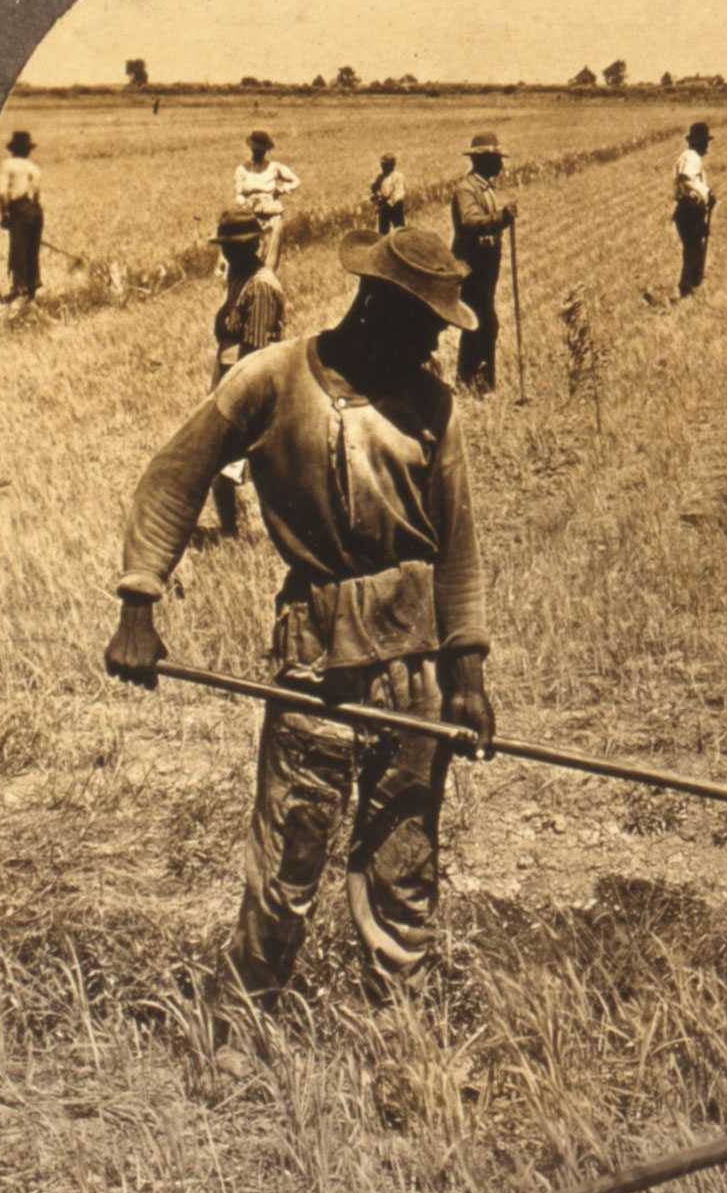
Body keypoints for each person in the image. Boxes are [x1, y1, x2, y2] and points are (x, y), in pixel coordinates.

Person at [104, 227, 494, 1076]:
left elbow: (456, 543)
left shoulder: (431, 406)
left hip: (413, 663)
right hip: (313, 656)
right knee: (287, 859)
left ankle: (402, 1047)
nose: (436, 342)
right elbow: (175, 475)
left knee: (402, 860)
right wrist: (140, 598)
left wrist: (467, 673)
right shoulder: (272, 378)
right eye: (425, 323)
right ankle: (234, 1043)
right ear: (374, 306)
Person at [205, 208, 287, 537]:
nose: (226, 253)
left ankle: (247, 533)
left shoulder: (261, 287)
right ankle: (234, 532)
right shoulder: (238, 278)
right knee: (221, 464)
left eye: (233, 246)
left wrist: (239, 401)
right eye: (224, 246)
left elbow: (257, 356)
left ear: (251, 247)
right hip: (228, 379)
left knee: (233, 465)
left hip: (247, 385)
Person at [450, 131, 517, 394]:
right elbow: (469, 222)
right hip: (471, 266)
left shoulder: (485, 188)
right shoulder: (466, 189)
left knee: (482, 322)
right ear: (483, 160)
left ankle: (476, 381)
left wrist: (502, 218)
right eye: (496, 159)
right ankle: (475, 382)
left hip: (486, 265)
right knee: (482, 322)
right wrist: (500, 218)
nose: (501, 164)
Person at [233, 129, 300, 271]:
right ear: (251, 149)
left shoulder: (274, 167)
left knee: (271, 256)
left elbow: (296, 181)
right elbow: (239, 193)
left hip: (273, 215)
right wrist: (242, 202)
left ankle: (267, 284)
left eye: (262, 150)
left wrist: (282, 189)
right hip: (250, 216)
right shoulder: (242, 169)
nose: (259, 153)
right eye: (257, 150)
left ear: (266, 150)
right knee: (249, 254)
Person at [0, 129, 43, 302]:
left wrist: (4, 214)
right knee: (32, 249)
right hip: (35, 211)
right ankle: (31, 289)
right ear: (28, 150)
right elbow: (36, 193)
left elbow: (2, 193)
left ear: (12, 149)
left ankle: (18, 289)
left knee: (18, 249)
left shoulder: (7, 165)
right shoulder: (33, 167)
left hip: (19, 209)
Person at [673, 121, 716, 299]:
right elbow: (687, 178)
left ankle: (690, 287)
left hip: (689, 209)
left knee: (694, 250)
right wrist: (707, 192)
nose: (707, 145)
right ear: (697, 142)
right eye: (705, 141)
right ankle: (687, 289)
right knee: (693, 251)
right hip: (689, 209)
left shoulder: (688, 156)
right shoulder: (692, 157)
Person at [370, 153, 406, 233]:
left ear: (392, 165)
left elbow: (399, 193)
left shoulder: (398, 176)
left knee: (399, 231)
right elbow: (374, 188)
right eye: (382, 165)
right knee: (383, 232)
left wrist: (389, 204)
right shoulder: (380, 177)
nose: (382, 167)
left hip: (395, 206)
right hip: (383, 205)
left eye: (385, 165)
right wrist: (374, 195)